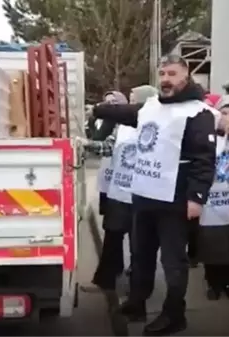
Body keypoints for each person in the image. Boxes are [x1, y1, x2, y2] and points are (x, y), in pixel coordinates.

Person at [93, 55, 217, 336]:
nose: (166, 79)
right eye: (162, 73)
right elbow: (127, 112)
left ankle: (174, 314)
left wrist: (197, 197)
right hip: (145, 195)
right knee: (141, 254)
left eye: (172, 73)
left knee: (173, 261)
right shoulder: (152, 107)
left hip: (175, 199)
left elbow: (204, 159)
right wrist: (100, 110)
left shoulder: (198, 112)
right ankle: (137, 302)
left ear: (185, 76)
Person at [79, 86, 157, 293]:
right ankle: (106, 281)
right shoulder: (121, 127)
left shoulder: (155, 128)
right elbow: (107, 147)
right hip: (119, 194)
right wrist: (85, 144)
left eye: (133, 101)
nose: (128, 106)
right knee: (112, 239)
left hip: (143, 197)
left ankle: (138, 291)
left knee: (139, 246)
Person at [197, 95, 229, 300]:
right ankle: (214, 283)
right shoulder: (206, 136)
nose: (227, 117)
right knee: (211, 243)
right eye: (223, 113)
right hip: (210, 199)